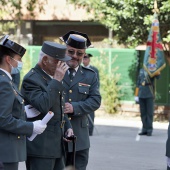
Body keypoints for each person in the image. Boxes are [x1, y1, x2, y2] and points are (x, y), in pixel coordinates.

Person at [21, 41, 74, 170]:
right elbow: (43, 105)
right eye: (58, 62)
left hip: (56, 146)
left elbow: (58, 107)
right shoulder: (32, 79)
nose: (63, 66)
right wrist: (56, 80)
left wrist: (68, 126)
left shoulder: (51, 78)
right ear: (45, 60)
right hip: (41, 148)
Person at [0, 35, 46, 170]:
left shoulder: (7, 81)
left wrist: (24, 111)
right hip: (5, 151)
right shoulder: (4, 82)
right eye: (18, 59)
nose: (20, 63)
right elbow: (3, 119)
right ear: (8, 60)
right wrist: (31, 127)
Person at [60, 30, 101, 170]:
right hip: (57, 138)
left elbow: (95, 100)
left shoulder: (90, 76)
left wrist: (74, 107)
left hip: (80, 139)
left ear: (84, 55)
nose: (75, 56)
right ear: (65, 50)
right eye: (71, 52)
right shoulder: (54, 71)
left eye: (79, 53)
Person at [135, 68, 160, 136]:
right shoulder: (141, 70)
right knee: (143, 113)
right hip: (141, 93)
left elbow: (158, 77)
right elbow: (138, 82)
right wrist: (136, 94)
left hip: (149, 93)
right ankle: (144, 129)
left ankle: (149, 129)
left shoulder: (152, 69)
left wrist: (157, 71)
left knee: (149, 113)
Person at [83, 53, 100, 136]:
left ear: (89, 60)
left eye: (86, 59)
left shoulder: (94, 70)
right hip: (82, 93)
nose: (84, 60)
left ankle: (90, 130)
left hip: (90, 93)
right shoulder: (80, 69)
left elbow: (96, 84)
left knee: (90, 113)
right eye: (83, 59)